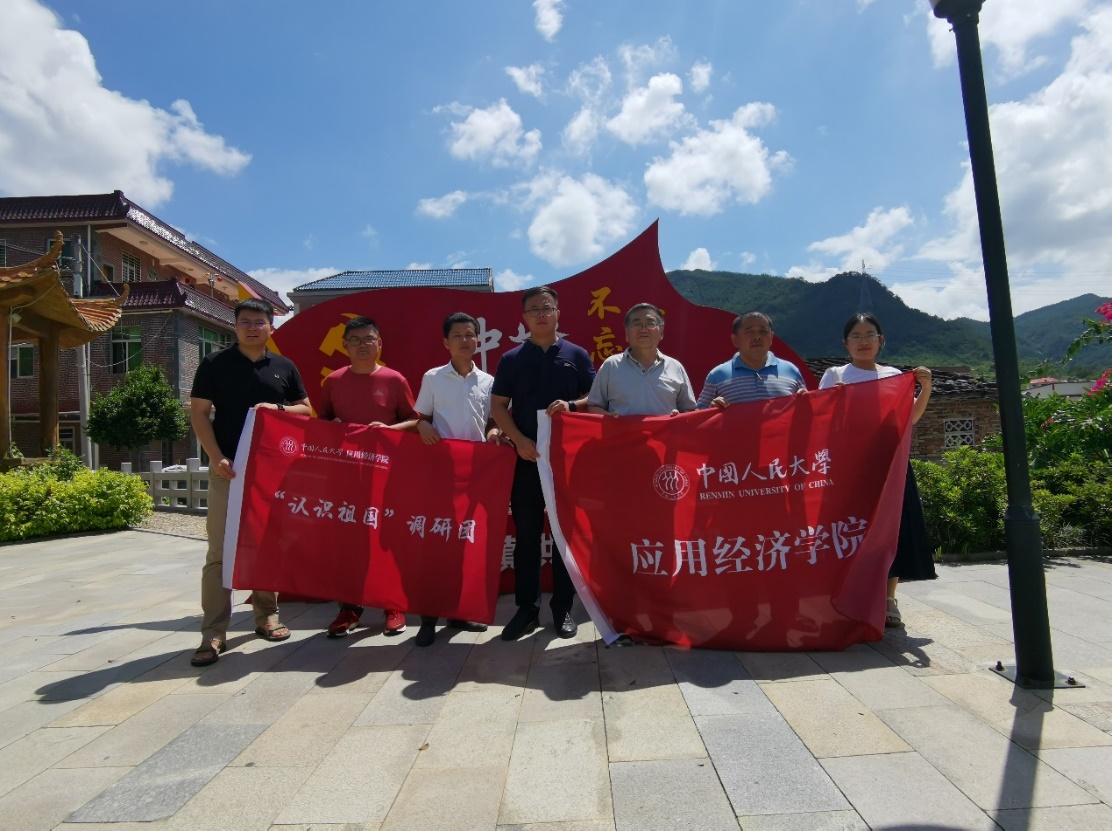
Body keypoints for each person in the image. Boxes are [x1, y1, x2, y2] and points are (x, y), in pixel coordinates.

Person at [189, 298, 312, 667]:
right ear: (236, 325)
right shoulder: (214, 363)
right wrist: (216, 456)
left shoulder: (283, 366)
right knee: (219, 551)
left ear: (271, 326)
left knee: (265, 543)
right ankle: (213, 632)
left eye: (260, 321)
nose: (253, 327)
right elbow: (199, 413)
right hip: (228, 468)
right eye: (246, 321)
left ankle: (267, 616)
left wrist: (278, 408)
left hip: (270, 471)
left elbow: (307, 410)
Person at [491, 286, 596, 640]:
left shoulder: (576, 355)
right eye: (533, 309)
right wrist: (518, 440)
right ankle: (527, 609)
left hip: (566, 461)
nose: (540, 314)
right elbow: (498, 406)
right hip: (526, 459)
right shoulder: (511, 359)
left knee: (564, 534)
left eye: (546, 308)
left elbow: (594, 397)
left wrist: (573, 405)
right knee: (526, 536)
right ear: (524, 317)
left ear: (557, 313)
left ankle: (563, 608)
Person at [818, 312, 936, 627]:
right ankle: (846, 595)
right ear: (845, 343)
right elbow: (821, 419)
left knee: (892, 530)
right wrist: (834, 401)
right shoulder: (835, 375)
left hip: (890, 463)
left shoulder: (894, 377)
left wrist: (925, 387)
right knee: (851, 529)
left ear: (881, 340)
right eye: (856, 336)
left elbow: (909, 418)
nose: (863, 341)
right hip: (851, 465)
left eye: (869, 335)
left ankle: (888, 599)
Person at [317, 316, 418, 639]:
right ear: (344, 345)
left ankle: (393, 605)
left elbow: (415, 422)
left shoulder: (394, 380)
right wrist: (335, 429)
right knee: (350, 543)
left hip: (387, 475)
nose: (363, 345)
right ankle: (350, 608)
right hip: (346, 475)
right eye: (355, 340)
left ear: (379, 344)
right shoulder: (334, 381)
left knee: (387, 541)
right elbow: (321, 423)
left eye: (369, 339)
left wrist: (388, 430)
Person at [407, 312, 499, 647]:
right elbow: (421, 417)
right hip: (441, 473)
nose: (464, 340)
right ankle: (428, 619)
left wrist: (494, 432)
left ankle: (458, 613)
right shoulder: (433, 377)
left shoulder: (488, 381)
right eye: (457, 335)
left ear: (478, 339)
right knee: (436, 544)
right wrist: (422, 426)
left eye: (470, 334)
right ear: (446, 342)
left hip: (476, 474)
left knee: (465, 543)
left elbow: (493, 420)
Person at [586, 302, 697, 417]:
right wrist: (611, 419)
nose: (643, 330)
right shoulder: (611, 365)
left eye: (650, 323)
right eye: (636, 324)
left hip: (665, 430)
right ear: (626, 333)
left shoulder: (675, 367)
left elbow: (690, 411)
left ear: (661, 332)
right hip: (622, 429)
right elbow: (594, 406)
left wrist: (679, 417)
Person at [697, 311, 806, 408]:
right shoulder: (717, 375)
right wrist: (711, 409)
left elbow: (806, 412)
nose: (757, 337)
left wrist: (805, 400)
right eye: (749, 332)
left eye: (763, 332)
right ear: (735, 340)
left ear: (771, 338)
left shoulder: (791, 371)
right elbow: (698, 417)